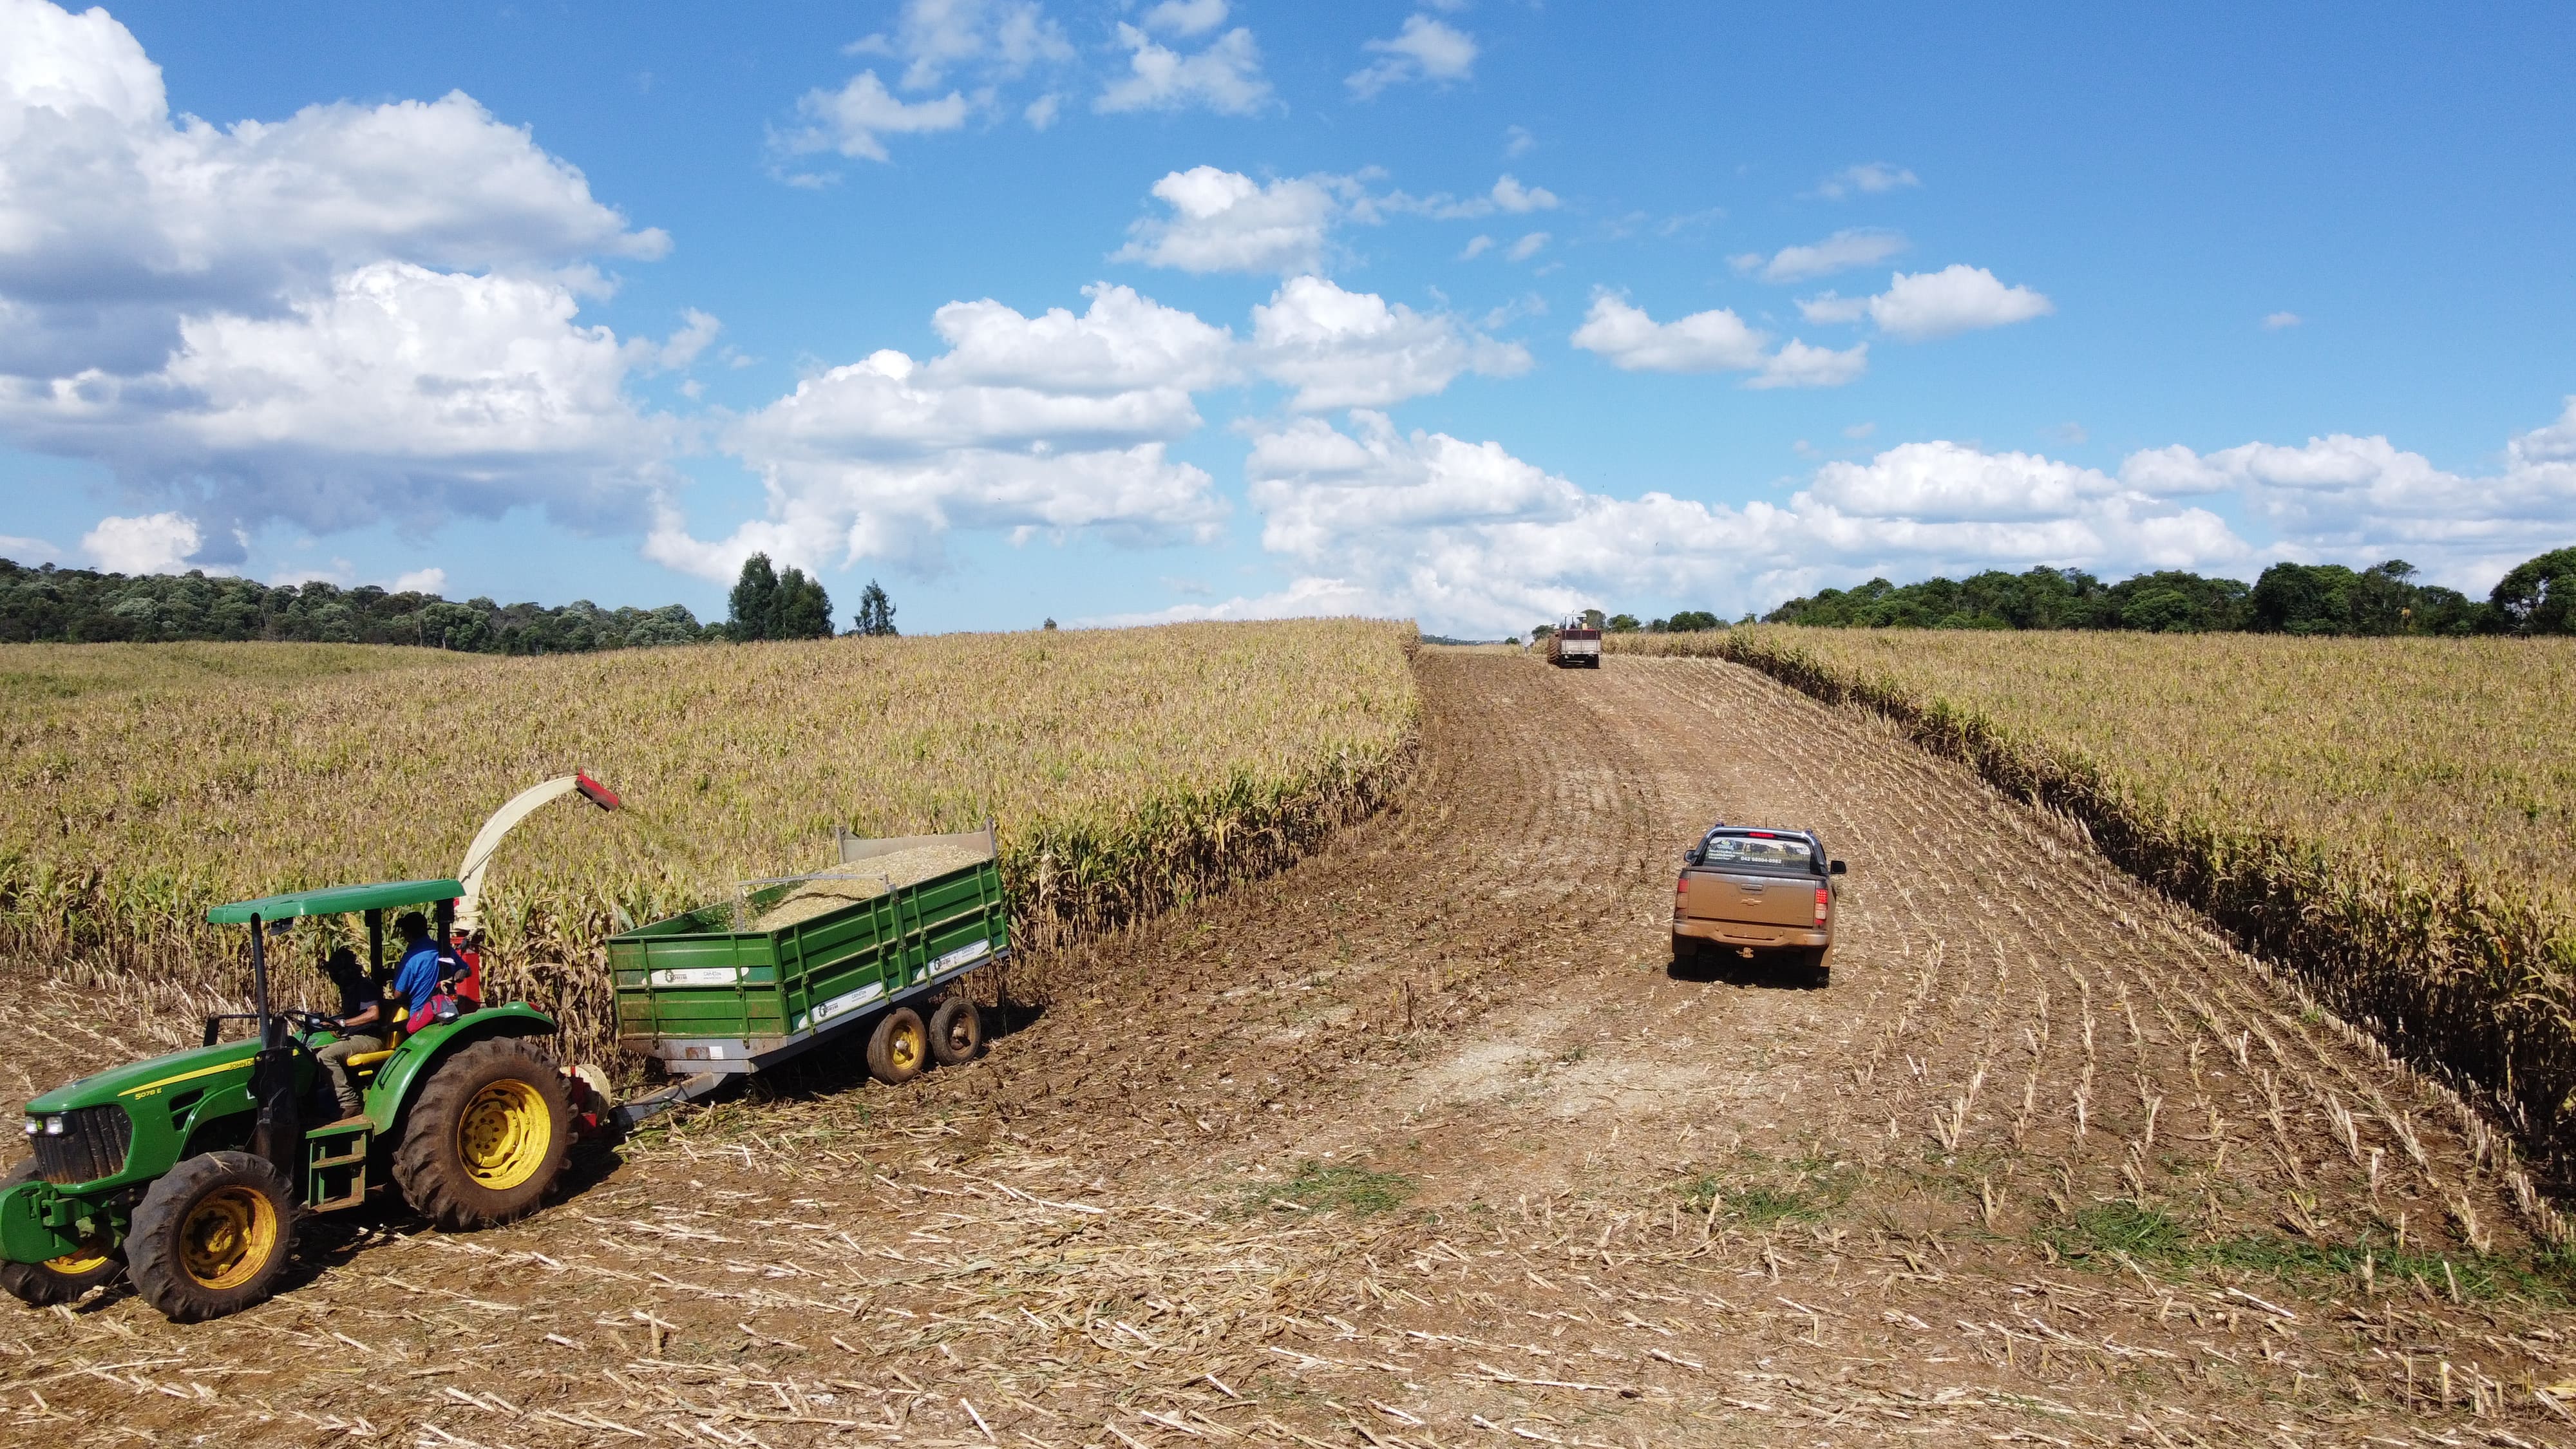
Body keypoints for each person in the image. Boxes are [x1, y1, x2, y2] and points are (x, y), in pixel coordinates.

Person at [313, 947, 385, 1124]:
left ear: (347, 970)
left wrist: (343, 1024)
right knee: (311, 1052)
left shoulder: (365, 986)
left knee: (325, 1056)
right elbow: (350, 1017)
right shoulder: (348, 989)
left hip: (370, 1038)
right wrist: (333, 1023)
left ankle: (349, 1103)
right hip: (355, 1036)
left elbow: (374, 1014)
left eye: (337, 973)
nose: (335, 978)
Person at [390, 910, 445, 1032]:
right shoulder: (443, 949)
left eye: (404, 931)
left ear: (408, 934)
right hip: (443, 1008)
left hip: (420, 1015)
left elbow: (398, 994)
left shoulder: (411, 958)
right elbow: (465, 970)